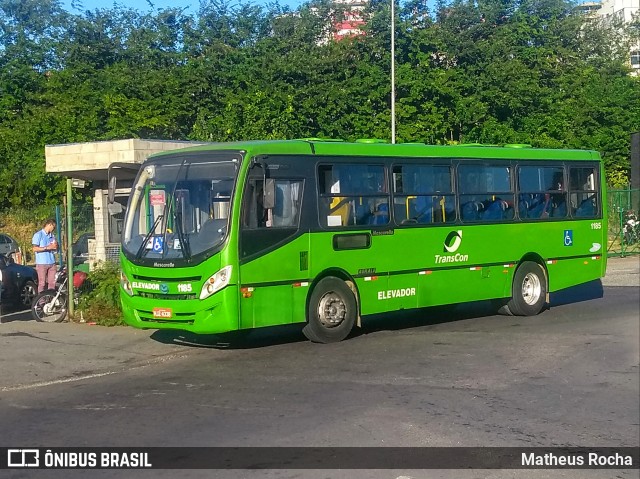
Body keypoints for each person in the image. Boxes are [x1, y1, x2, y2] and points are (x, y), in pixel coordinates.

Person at [32, 219, 58, 293]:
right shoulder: (38, 235)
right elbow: (34, 248)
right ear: (49, 225)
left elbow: (54, 248)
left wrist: (56, 246)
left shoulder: (52, 236)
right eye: (54, 227)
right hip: (42, 263)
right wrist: (47, 247)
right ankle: (41, 301)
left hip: (52, 262)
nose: (54, 229)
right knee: (42, 283)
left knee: (52, 283)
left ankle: (50, 299)